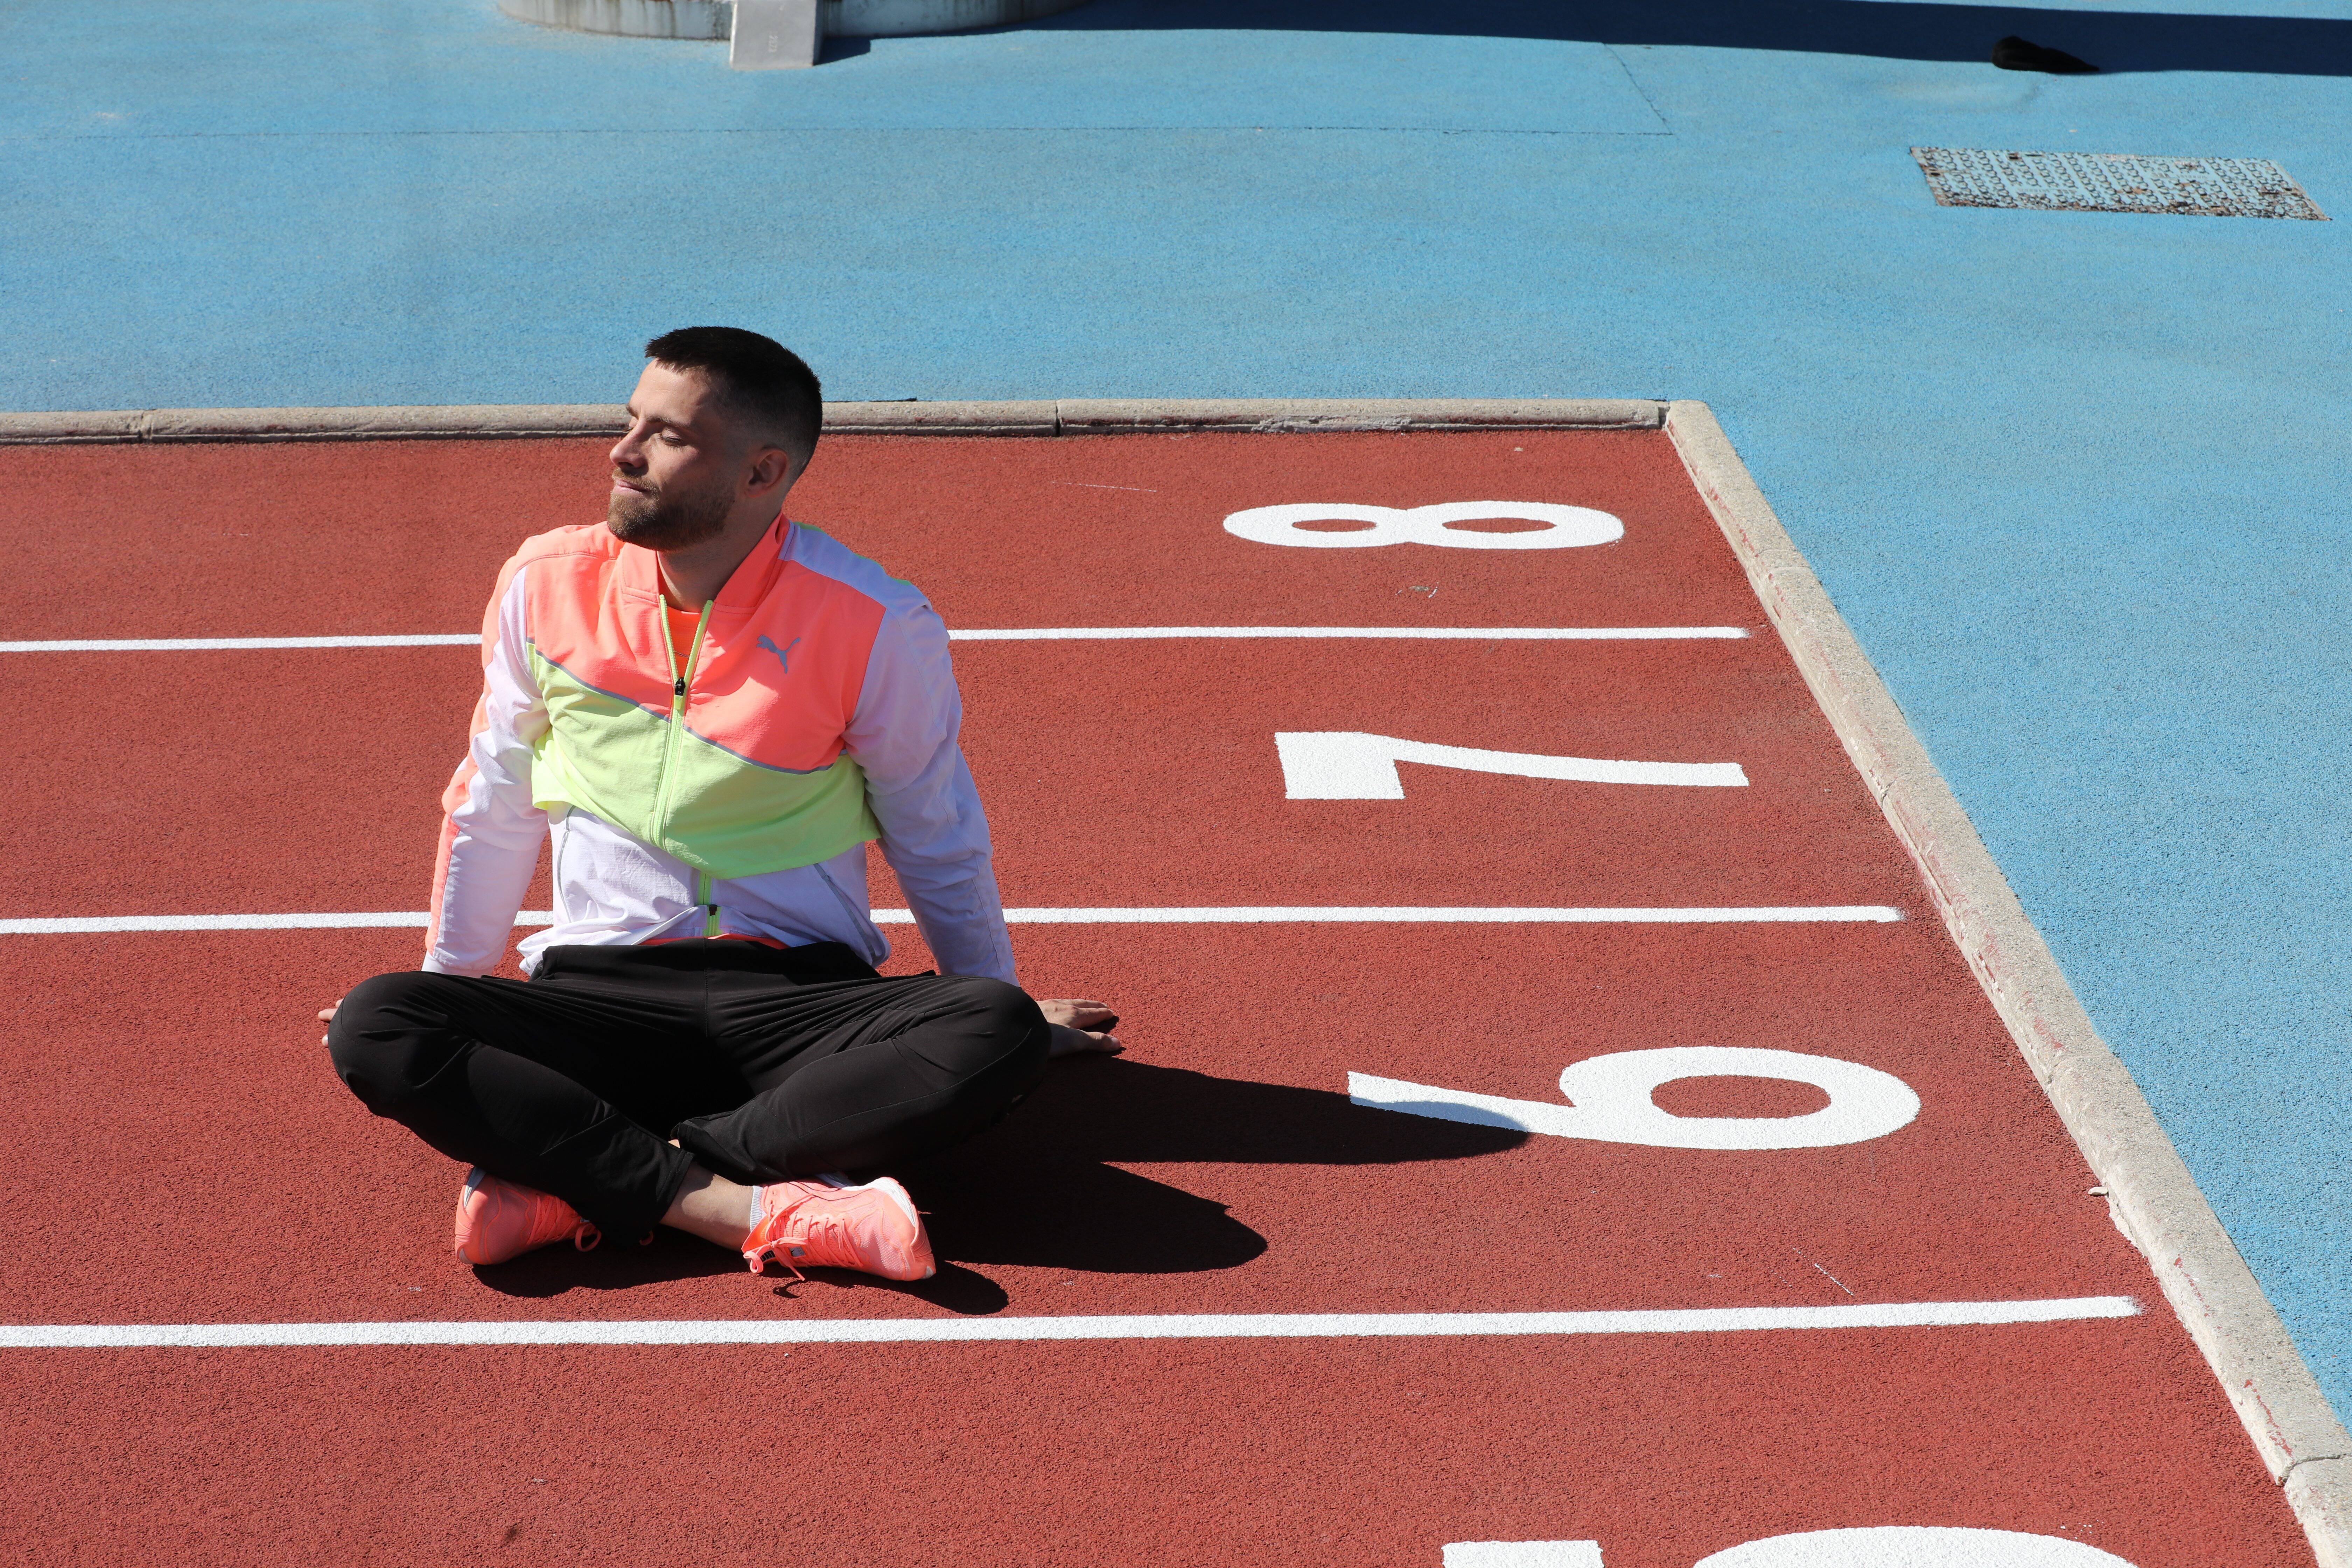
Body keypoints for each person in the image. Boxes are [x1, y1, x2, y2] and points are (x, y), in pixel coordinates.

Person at [322, 327, 1116, 1283]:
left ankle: (592, 1177)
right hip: (596, 999)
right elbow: (490, 801)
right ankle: (748, 1205)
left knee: (994, 1031)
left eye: (668, 436)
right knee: (381, 1023)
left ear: (762, 471)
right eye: (630, 422)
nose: (621, 453)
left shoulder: (872, 619)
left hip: (802, 1005)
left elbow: (933, 826)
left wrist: (1005, 1001)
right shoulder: (544, 586)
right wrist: (458, 994)